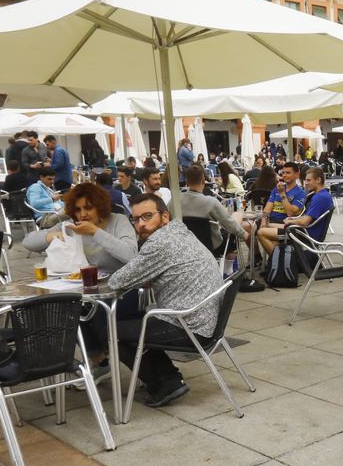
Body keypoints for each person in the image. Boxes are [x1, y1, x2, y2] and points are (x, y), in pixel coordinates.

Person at [87, 191, 224, 408]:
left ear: (165, 216)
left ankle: (165, 382)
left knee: (110, 330)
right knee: (138, 319)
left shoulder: (158, 244)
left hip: (188, 326)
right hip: (206, 320)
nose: (140, 224)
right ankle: (168, 378)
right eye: (136, 219)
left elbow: (117, 282)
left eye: (147, 216)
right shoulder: (180, 232)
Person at [23, 181, 137, 273]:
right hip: (80, 289)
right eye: (78, 210)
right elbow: (28, 242)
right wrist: (51, 236)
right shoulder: (72, 225)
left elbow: (131, 255)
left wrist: (95, 231)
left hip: (118, 289)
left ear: (100, 207)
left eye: (88, 208)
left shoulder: (118, 221)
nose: (83, 214)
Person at [243, 161, 305, 257]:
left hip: (284, 223)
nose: (284, 175)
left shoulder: (300, 193)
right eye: (283, 173)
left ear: (297, 175)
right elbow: (267, 209)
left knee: (267, 238)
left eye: (288, 173)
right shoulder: (276, 189)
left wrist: (282, 194)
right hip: (270, 220)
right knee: (245, 226)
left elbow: (291, 213)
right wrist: (263, 221)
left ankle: (277, 262)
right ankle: (257, 256)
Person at [179, 164, 245, 253]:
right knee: (237, 216)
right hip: (211, 247)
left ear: (186, 181)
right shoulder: (211, 202)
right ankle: (228, 266)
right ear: (203, 181)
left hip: (185, 246)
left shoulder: (174, 202)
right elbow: (229, 223)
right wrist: (244, 234)